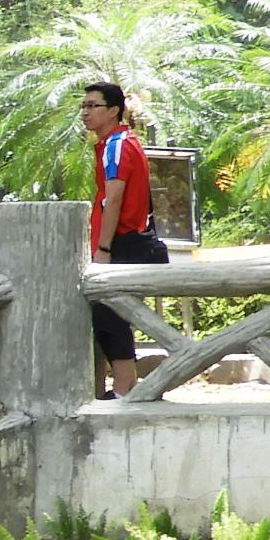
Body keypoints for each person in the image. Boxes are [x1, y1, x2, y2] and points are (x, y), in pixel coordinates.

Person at [82, 81, 168, 399]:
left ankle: (123, 388)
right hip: (130, 241)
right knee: (113, 315)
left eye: (93, 106)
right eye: (84, 106)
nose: (86, 112)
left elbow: (113, 198)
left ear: (114, 111)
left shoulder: (117, 145)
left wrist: (103, 248)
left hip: (124, 242)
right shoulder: (119, 143)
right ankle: (127, 385)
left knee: (109, 315)